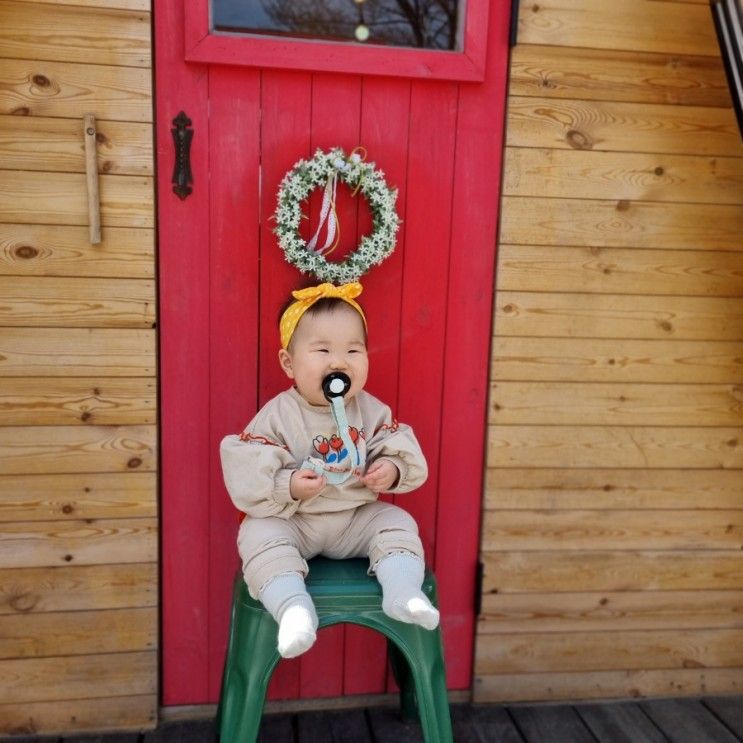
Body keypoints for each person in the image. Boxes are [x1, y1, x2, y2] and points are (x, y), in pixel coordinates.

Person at [220, 282, 439, 659]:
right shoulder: (279, 414)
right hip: (297, 522)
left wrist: (390, 468)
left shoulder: (369, 410)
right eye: (322, 350)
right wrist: (286, 483)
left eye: (353, 350)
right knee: (257, 534)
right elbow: (246, 464)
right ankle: (293, 609)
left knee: (398, 522)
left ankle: (402, 591)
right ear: (289, 363)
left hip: (354, 519)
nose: (339, 361)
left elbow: (401, 450)